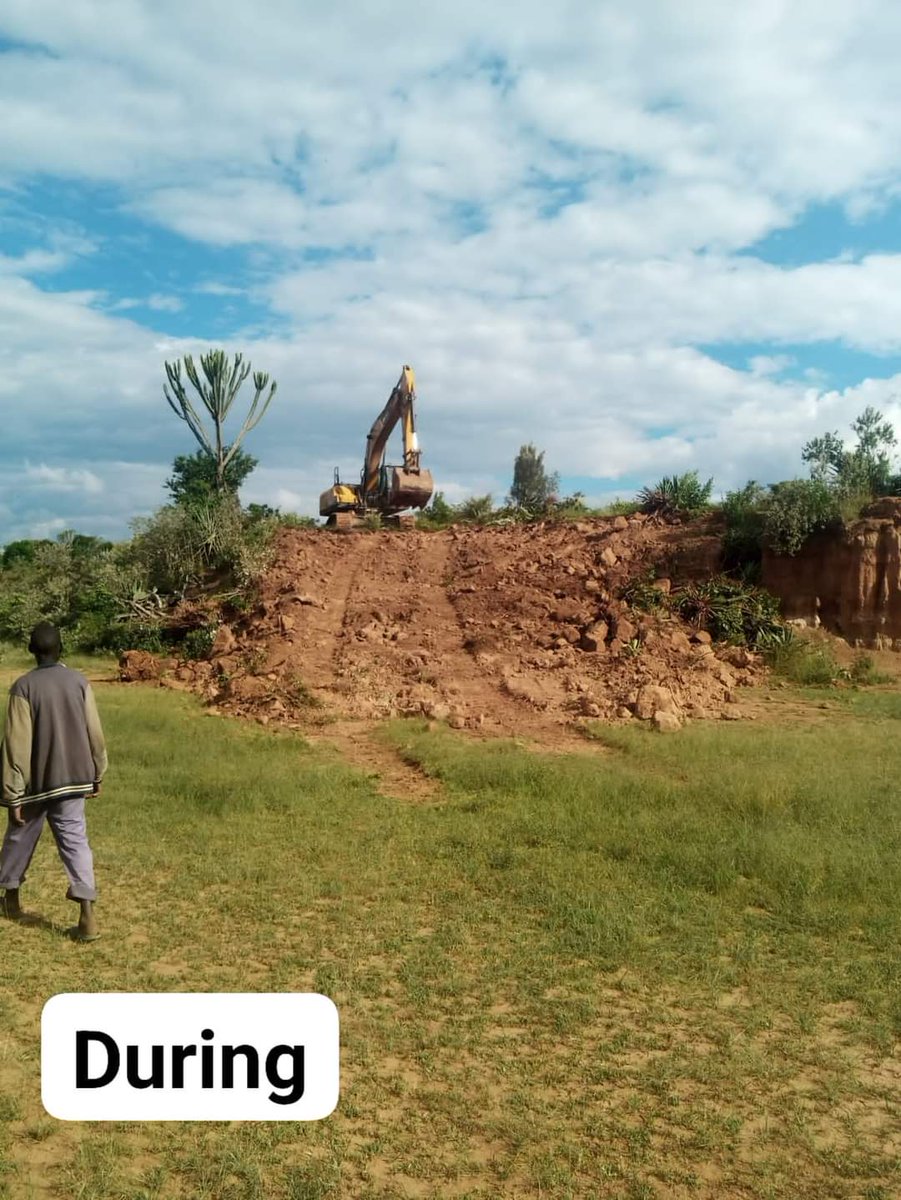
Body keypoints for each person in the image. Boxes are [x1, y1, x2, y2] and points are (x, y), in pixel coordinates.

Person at [0, 622, 108, 941]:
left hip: (36, 785)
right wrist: (97, 772)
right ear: (61, 649)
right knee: (76, 842)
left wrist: (13, 795)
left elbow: (16, 745)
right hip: (74, 781)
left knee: (18, 838)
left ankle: (10, 899)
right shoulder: (79, 682)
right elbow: (95, 733)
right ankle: (87, 914)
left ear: (31, 652)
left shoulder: (23, 687)